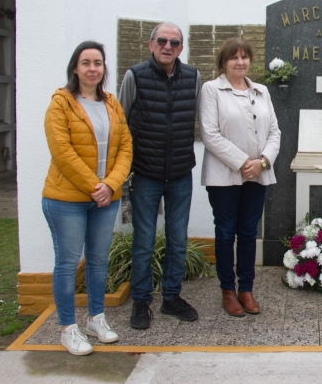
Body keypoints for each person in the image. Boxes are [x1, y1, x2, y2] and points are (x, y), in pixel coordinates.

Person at [42, 41, 133, 355]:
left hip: (104, 199)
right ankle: (68, 327)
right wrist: (95, 185)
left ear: (104, 68)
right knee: (67, 264)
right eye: (86, 62)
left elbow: (125, 148)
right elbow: (62, 152)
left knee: (98, 261)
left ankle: (96, 318)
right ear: (75, 68)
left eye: (98, 62)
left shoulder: (111, 103)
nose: (93, 68)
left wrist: (110, 184)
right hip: (66, 199)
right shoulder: (61, 103)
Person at [119, 22, 202, 329]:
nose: (169, 46)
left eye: (175, 42)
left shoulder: (193, 77)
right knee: (143, 242)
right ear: (151, 44)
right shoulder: (135, 76)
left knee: (178, 240)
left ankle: (171, 297)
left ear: (181, 48)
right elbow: (121, 122)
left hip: (180, 173)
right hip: (146, 174)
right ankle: (141, 302)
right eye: (163, 41)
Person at [199, 38, 280, 317]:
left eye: (245, 57)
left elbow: (274, 133)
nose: (240, 62)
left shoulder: (261, 91)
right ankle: (228, 292)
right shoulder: (212, 90)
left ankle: (246, 289)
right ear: (224, 61)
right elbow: (210, 134)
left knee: (248, 233)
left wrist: (263, 162)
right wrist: (243, 162)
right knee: (225, 233)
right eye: (234, 57)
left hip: (257, 175)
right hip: (224, 176)